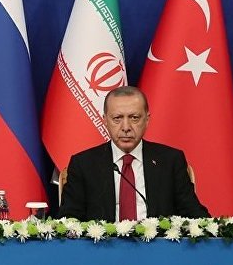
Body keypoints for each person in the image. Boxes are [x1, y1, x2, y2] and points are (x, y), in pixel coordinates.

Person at [59, 86, 209, 221]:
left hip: (156, 242)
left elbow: (194, 214)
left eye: (134, 118)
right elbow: (69, 220)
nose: (126, 127)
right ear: (105, 120)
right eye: (117, 118)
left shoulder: (170, 161)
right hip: (103, 243)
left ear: (147, 120)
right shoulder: (83, 164)